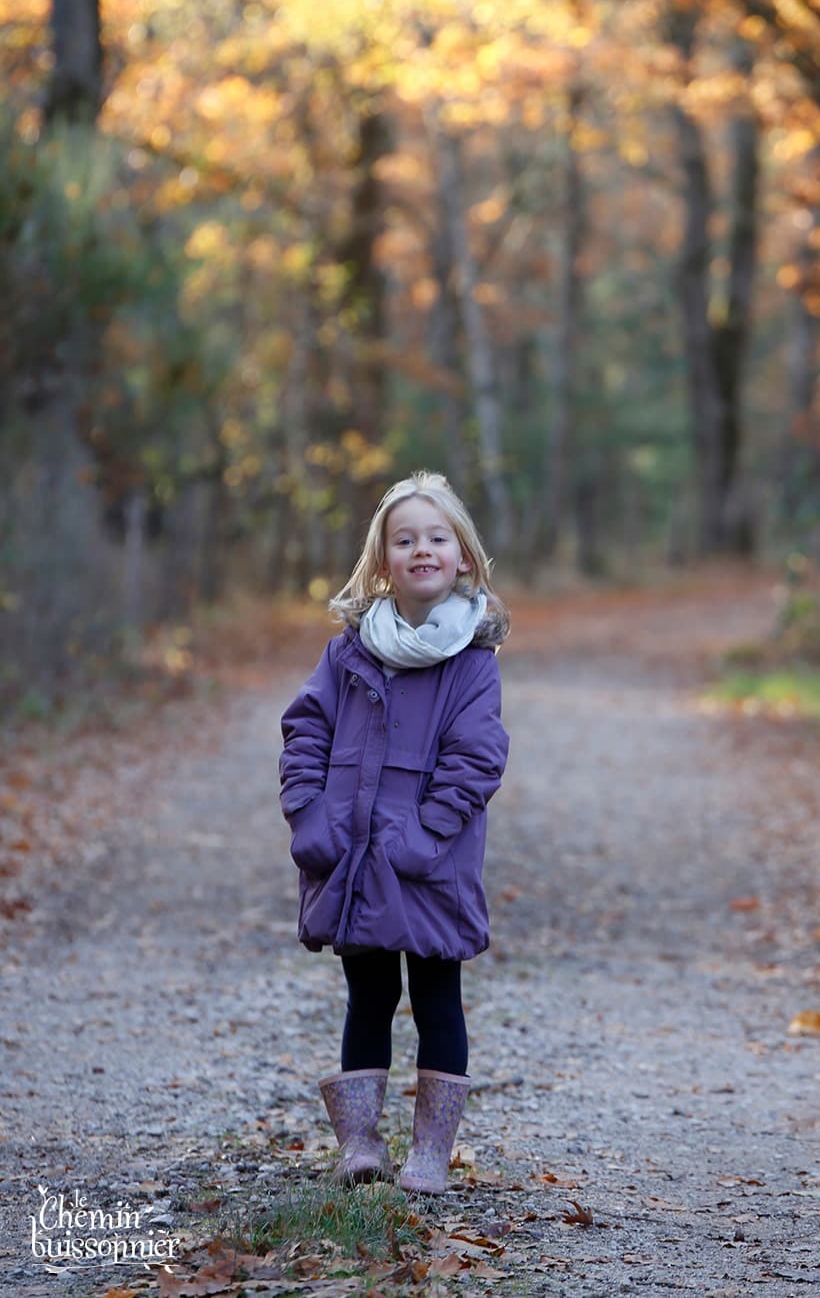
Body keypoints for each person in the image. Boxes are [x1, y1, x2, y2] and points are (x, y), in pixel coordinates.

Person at [279, 472, 511, 1194]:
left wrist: (426, 834)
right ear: (382, 560)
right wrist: (309, 816)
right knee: (366, 996)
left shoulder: (472, 662)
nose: (421, 550)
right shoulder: (349, 652)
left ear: (463, 557)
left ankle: (430, 1153)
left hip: (429, 862)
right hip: (351, 857)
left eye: (436, 538)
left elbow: (477, 758)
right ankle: (360, 1145)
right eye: (404, 539)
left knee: (438, 997)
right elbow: (304, 731)